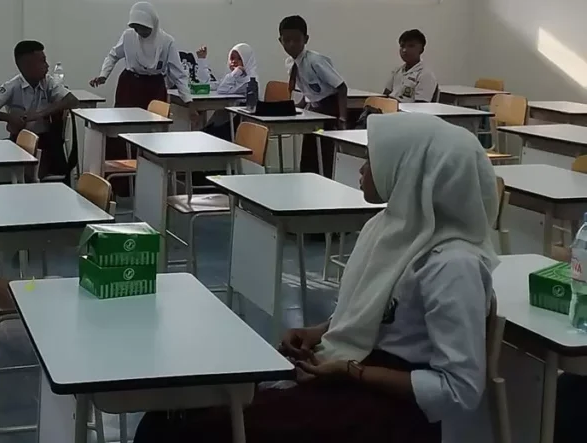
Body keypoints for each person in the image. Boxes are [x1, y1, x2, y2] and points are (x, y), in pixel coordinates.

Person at [133, 112, 499, 443]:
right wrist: (320, 332)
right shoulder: (389, 229)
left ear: (411, 172)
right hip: (351, 375)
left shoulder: (452, 265)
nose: (362, 169)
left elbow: (459, 390)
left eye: (373, 160)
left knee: (190, 431)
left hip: (388, 408)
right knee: (169, 415)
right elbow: (380, 314)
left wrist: (351, 372)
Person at [90, 3, 192, 190]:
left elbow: (178, 74)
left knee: (152, 137)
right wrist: (103, 75)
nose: (140, 32)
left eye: (144, 28)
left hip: (154, 88)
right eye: (136, 28)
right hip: (130, 85)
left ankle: (150, 185)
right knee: (121, 134)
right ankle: (121, 186)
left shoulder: (167, 42)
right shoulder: (128, 36)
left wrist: (188, 101)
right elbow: (113, 55)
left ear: (153, 24)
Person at [0, 40, 79, 181]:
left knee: (33, 173)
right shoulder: (12, 86)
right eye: (42, 61)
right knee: (6, 170)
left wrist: (40, 114)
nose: (47, 66)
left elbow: (72, 100)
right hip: (19, 140)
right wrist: (9, 118)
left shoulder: (48, 82)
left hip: (46, 142)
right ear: (27, 66)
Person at [280, 15, 347, 176]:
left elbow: (341, 87)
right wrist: (298, 107)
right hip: (314, 111)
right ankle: (308, 179)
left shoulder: (315, 61)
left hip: (330, 111)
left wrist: (342, 118)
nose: (291, 44)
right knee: (309, 156)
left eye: (296, 40)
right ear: (280, 41)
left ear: (306, 39)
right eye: (287, 40)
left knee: (324, 155)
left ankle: (324, 182)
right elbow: (307, 89)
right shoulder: (290, 63)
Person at [196, 43, 259, 139]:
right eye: (232, 58)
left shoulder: (249, 80)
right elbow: (207, 85)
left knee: (206, 133)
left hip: (241, 122)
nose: (234, 61)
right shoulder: (234, 77)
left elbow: (222, 90)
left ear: (247, 60)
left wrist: (234, 73)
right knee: (207, 128)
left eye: (239, 59)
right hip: (229, 120)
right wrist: (202, 60)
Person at [384, 29, 438, 103]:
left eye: (411, 46)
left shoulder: (425, 74)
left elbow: (421, 105)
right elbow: (385, 95)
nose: (404, 50)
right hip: (389, 107)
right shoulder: (397, 71)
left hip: (406, 109)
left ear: (421, 50)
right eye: (402, 46)